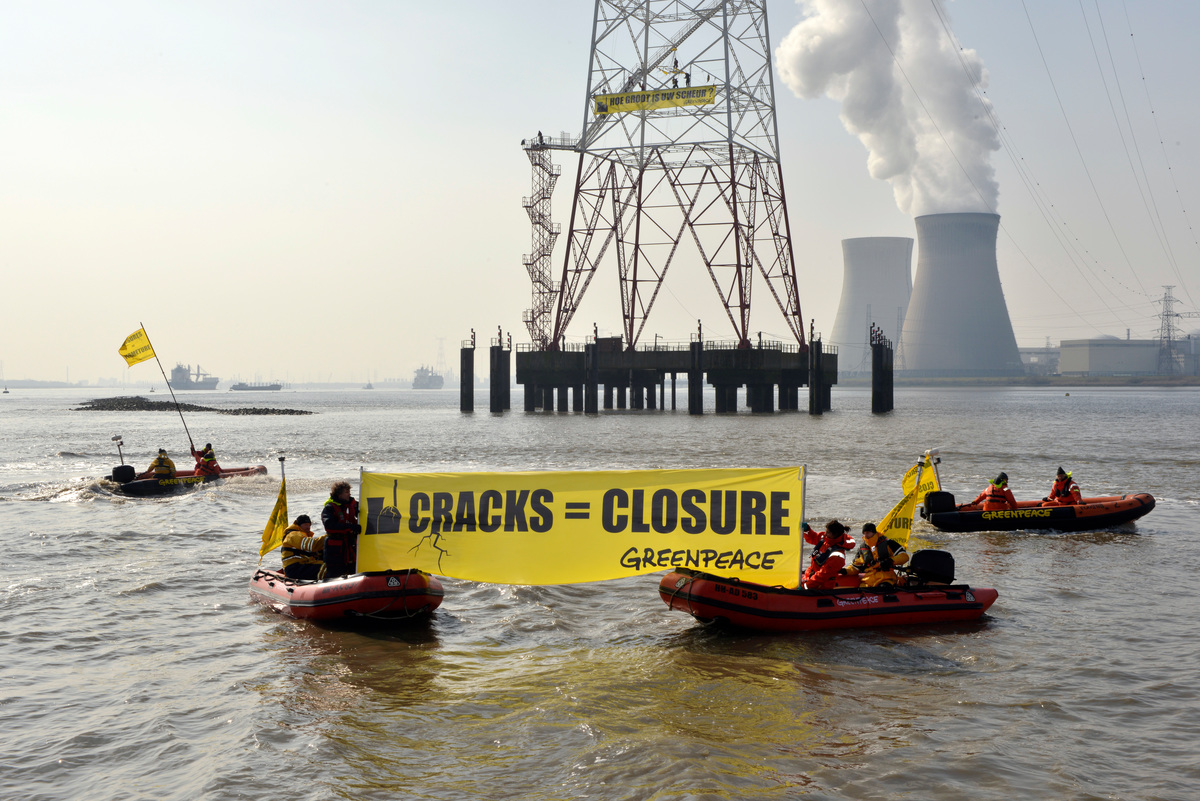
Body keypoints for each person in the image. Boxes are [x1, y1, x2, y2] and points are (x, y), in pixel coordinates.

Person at [846, 523, 909, 588]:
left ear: (873, 532)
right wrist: (845, 571)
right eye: (864, 533)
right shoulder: (862, 548)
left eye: (867, 533)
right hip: (868, 580)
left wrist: (890, 561)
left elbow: (904, 556)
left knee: (883, 588)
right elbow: (856, 567)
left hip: (886, 578)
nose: (865, 535)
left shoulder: (888, 543)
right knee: (861, 590)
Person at [801, 519, 854, 590]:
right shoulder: (827, 539)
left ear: (835, 534)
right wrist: (807, 530)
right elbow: (814, 537)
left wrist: (805, 587)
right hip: (812, 574)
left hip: (821, 585)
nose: (825, 534)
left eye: (828, 532)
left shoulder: (837, 556)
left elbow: (822, 575)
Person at [321, 481, 360, 578]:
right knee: (335, 574)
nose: (349, 494)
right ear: (339, 494)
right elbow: (329, 526)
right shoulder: (329, 508)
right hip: (335, 549)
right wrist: (351, 527)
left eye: (349, 491)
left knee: (353, 571)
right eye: (347, 492)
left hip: (350, 546)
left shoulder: (353, 505)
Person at [281, 515, 326, 580]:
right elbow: (313, 545)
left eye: (309, 525)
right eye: (305, 524)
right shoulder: (293, 535)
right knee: (329, 568)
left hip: (303, 564)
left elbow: (312, 551)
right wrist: (329, 536)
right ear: (299, 525)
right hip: (295, 568)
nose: (308, 527)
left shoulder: (303, 536)